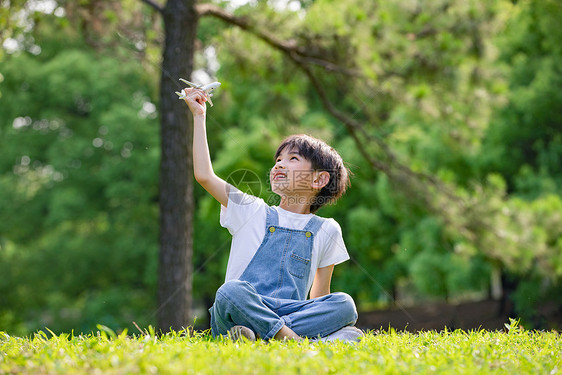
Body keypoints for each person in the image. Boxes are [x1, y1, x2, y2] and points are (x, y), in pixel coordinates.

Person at [182, 86, 362, 342]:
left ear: (319, 179)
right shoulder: (251, 209)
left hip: (289, 314)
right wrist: (199, 117)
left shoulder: (327, 229)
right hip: (239, 310)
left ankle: (258, 335)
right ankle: (296, 340)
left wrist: (327, 318)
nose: (279, 163)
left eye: (293, 159)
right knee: (230, 292)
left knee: (345, 304)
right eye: (278, 159)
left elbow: (319, 299)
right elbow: (204, 176)